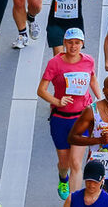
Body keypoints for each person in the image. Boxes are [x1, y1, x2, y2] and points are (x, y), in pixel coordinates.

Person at [36, 27, 103, 200]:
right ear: (64, 43)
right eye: (70, 43)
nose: (74, 47)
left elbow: (92, 78)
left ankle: (73, 201)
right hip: (60, 118)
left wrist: (100, 99)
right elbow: (41, 90)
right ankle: (62, 178)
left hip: (82, 118)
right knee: (64, 163)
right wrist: (57, 101)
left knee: (76, 163)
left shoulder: (88, 61)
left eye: (77, 43)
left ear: (82, 44)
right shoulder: (55, 63)